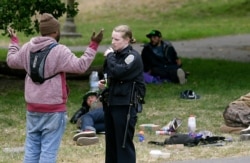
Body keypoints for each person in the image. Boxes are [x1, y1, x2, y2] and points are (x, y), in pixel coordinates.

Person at [6, 13, 103, 163]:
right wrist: (93, 45)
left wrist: (14, 42)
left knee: (31, 147)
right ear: (56, 31)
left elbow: (11, 61)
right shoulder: (59, 51)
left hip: (32, 108)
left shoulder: (27, 48)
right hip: (53, 109)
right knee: (48, 152)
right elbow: (80, 66)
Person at [99, 25, 146, 163]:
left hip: (125, 104)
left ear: (127, 40)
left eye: (117, 39)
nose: (113, 42)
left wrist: (110, 56)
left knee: (123, 143)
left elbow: (120, 71)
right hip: (110, 103)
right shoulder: (115, 56)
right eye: (112, 38)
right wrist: (104, 83)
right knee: (111, 144)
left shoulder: (132, 57)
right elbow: (110, 74)